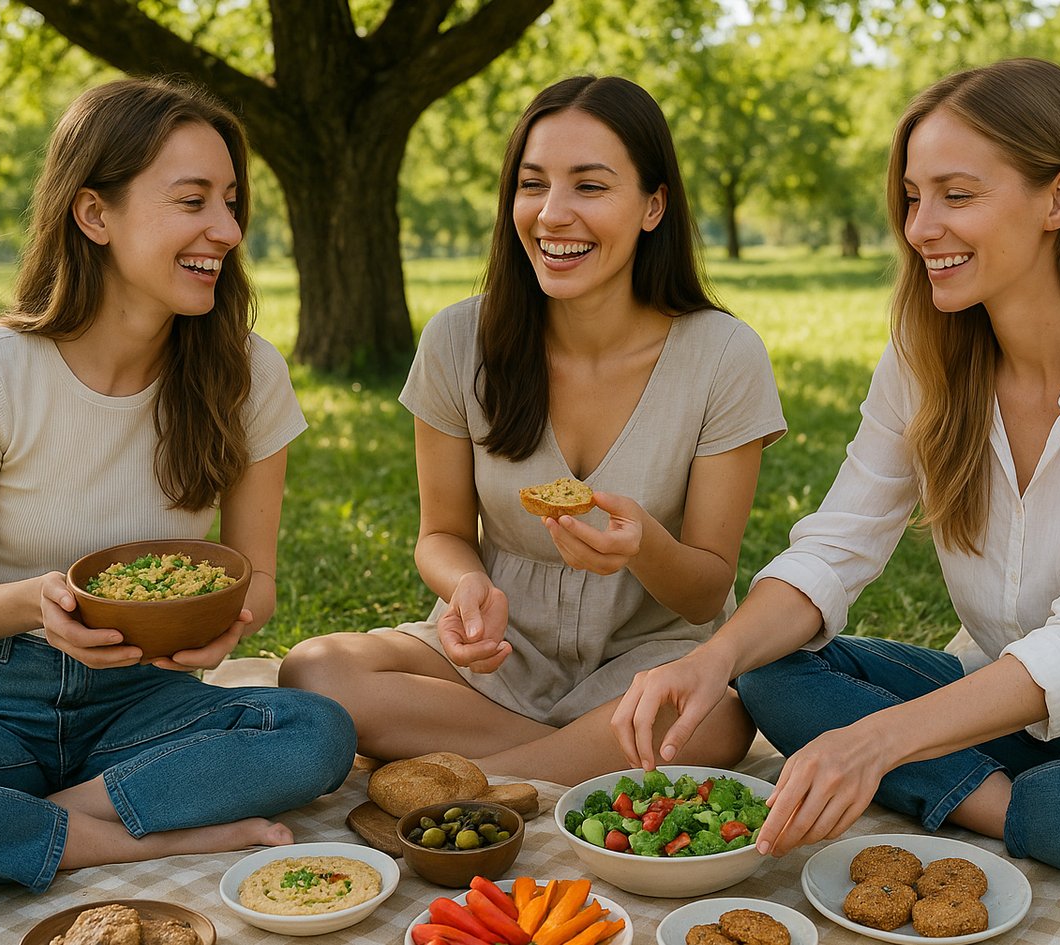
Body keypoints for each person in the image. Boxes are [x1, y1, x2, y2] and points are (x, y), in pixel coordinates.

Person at [612, 57, 1060, 889]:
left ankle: (1013, 801)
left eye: (956, 195)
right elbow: (835, 548)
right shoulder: (927, 355)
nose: (920, 226)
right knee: (769, 668)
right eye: (911, 196)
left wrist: (879, 740)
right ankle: (1031, 803)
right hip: (1019, 707)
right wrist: (708, 660)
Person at [0, 77, 356, 910]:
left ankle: (11, 833)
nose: (226, 231)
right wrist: (38, 602)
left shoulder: (247, 374)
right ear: (94, 215)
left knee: (317, 734)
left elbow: (253, 580)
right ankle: (145, 831)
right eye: (193, 200)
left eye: (231, 203)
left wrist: (225, 630)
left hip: (141, 696)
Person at [279, 75, 785, 784]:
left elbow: (706, 589)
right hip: (495, 662)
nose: (552, 214)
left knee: (721, 719)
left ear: (653, 205)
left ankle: (485, 781)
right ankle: (572, 763)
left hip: (642, 667)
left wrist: (642, 544)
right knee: (314, 671)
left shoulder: (725, 356)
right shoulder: (459, 340)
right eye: (532, 184)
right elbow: (441, 534)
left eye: (590, 186)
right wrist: (465, 590)